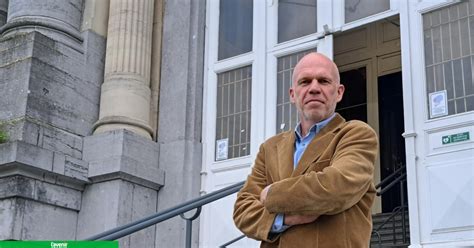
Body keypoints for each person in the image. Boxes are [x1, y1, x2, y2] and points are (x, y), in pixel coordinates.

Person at [233, 52, 378, 247]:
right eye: (305, 81)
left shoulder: (355, 134)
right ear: (293, 95)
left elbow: (335, 188)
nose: (314, 88)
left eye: (324, 81)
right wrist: (285, 219)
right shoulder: (270, 148)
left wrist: (271, 194)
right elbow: (243, 210)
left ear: (339, 92)